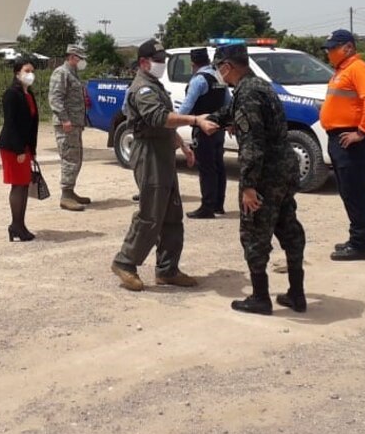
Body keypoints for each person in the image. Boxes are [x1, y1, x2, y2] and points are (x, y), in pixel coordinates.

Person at [111, 39, 220, 292]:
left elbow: (164, 124)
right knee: (151, 213)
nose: (162, 64)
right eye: (158, 61)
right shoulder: (142, 89)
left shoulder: (154, 85)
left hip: (162, 150)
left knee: (172, 213)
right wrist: (195, 120)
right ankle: (125, 262)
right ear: (143, 63)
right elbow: (159, 118)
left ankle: (167, 269)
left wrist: (182, 146)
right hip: (149, 153)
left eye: (163, 60)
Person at [208, 44, 307, 314]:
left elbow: (252, 142)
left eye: (219, 68)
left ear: (227, 66)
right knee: (289, 228)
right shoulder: (259, 85)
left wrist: (249, 186)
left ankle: (260, 297)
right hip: (285, 170)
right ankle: (297, 294)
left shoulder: (247, 92)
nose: (219, 74)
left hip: (266, 174)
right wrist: (207, 121)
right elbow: (232, 115)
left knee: (254, 233)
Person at [319, 29, 365, 261]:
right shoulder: (341, 70)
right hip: (339, 139)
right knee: (348, 192)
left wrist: (362, 131)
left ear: (348, 47)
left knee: (354, 194)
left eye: (332, 48)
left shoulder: (357, 68)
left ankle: (361, 244)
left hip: (351, 142)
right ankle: (360, 239)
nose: (329, 53)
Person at [178, 47, 231, 218]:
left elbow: (187, 106)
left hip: (203, 128)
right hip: (218, 128)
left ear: (193, 64)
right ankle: (218, 205)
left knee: (206, 168)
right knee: (218, 166)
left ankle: (207, 207)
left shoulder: (198, 80)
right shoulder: (219, 77)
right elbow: (228, 102)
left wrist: (173, 121)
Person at [0, 57, 41, 241]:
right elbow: (11, 124)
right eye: (27, 71)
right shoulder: (11, 94)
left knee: (24, 184)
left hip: (24, 147)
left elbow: (32, 125)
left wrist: (31, 149)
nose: (30, 74)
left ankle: (19, 225)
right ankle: (16, 225)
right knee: (18, 185)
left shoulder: (28, 94)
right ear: (17, 73)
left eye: (32, 71)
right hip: (13, 147)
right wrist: (19, 150)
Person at [49, 43, 91, 211]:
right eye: (81, 58)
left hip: (75, 124)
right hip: (66, 125)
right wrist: (65, 119)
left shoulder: (73, 74)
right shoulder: (61, 73)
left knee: (76, 157)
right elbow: (55, 99)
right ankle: (65, 196)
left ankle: (70, 191)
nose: (82, 62)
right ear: (73, 57)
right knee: (69, 158)